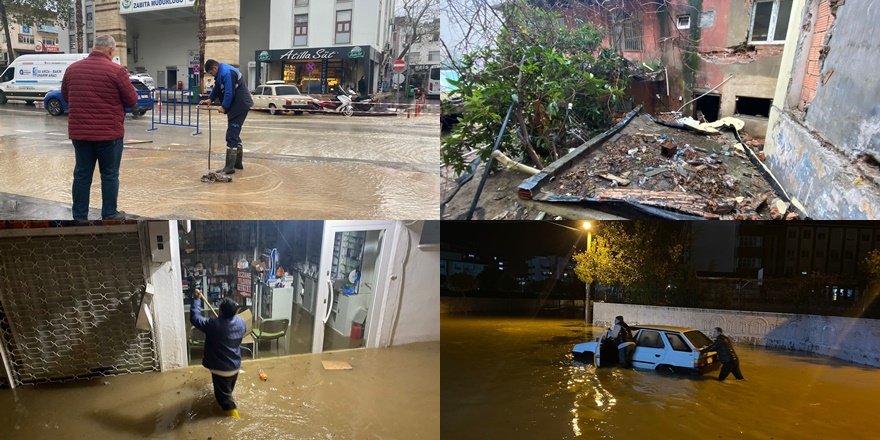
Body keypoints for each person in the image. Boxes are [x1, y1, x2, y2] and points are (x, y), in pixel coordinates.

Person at [62, 35, 138, 221]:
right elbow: (132, 100)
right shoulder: (117, 71)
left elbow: (65, 97)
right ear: (111, 50)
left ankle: (79, 216)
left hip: (80, 135)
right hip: (109, 136)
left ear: (94, 48)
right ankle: (110, 214)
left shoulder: (72, 69)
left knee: (81, 175)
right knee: (110, 175)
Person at [190, 288, 247, 419]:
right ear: (235, 312)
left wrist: (196, 300)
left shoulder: (213, 324)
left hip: (221, 370)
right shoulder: (241, 323)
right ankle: (229, 407)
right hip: (235, 368)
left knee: (224, 399)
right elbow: (227, 328)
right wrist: (222, 321)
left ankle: (235, 420)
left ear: (221, 311)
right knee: (228, 392)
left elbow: (195, 318)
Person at [199, 59, 253, 174]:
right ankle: (237, 164)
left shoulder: (227, 73)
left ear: (214, 68)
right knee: (235, 134)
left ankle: (229, 167)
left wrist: (224, 106)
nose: (212, 75)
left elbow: (229, 92)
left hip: (239, 105)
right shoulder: (221, 73)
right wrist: (210, 99)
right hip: (236, 105)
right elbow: (217, 88)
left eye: (211, 73)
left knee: (231, 135)